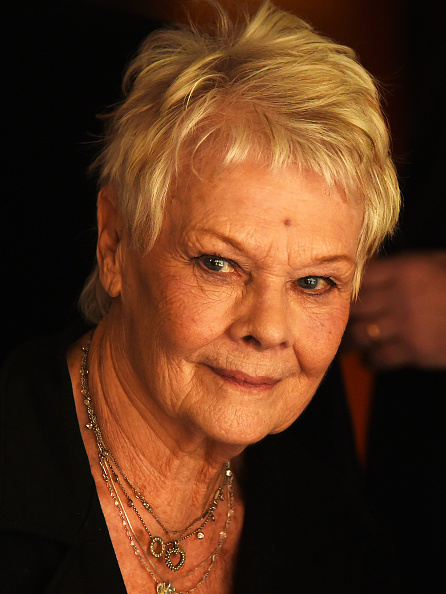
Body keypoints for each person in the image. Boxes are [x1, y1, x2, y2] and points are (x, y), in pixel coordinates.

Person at [0, 2, 400, 592]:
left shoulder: (333, 532)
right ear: (115, 243)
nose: (268, 327)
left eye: (315, 282)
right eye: (220, 264)